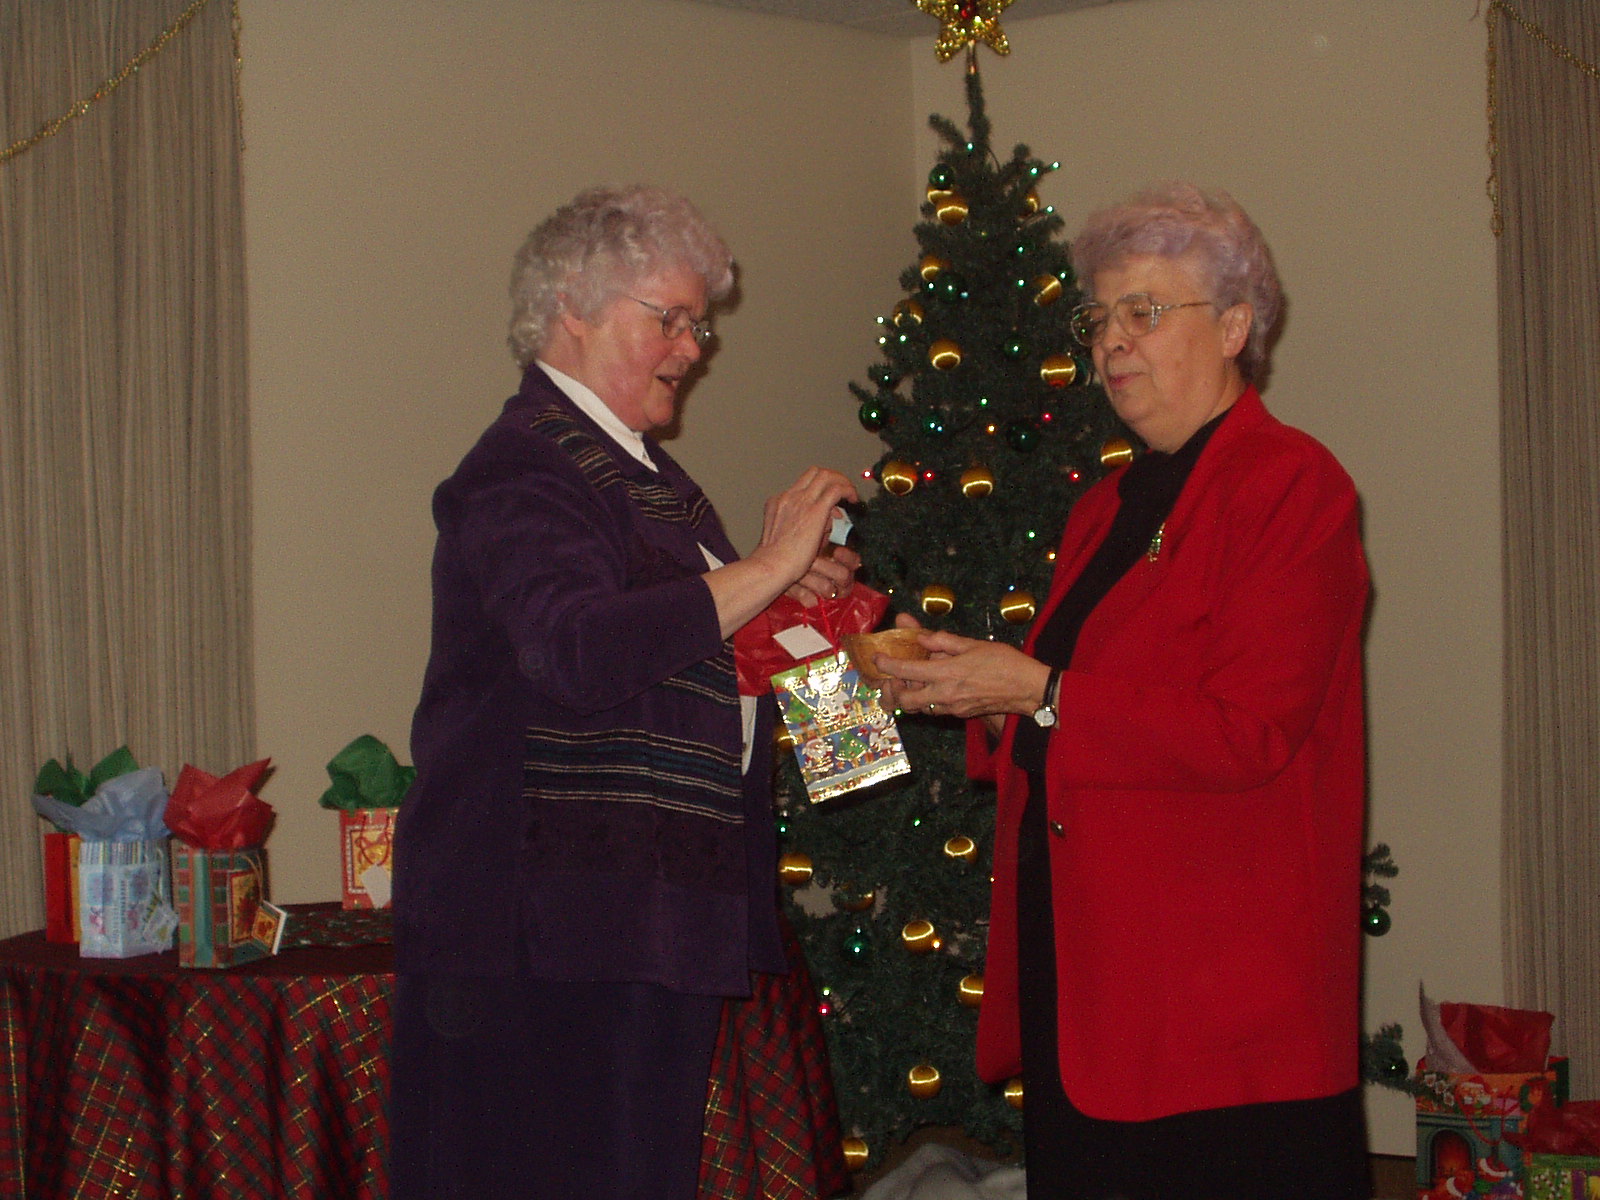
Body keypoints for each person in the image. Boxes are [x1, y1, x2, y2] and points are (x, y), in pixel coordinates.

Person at [875, 182, 1370, 1200]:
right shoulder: (1106, 504)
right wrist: (958, 685)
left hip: (1220, 1010)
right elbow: (1073, 702)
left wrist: (1035, 689)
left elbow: (1248, 733)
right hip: (1094, 985)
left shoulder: (1291, 486)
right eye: (1097, 317)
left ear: (1234, 326)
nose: (1108, 342)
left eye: (1145, 312)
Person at [389, 184, 858, 1199]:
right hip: (536, 939)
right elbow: (575, 650)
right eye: (671, 321)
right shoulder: (525, 465)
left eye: (698, 324)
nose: (694, 350)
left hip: (640, 927)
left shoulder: (650, 481)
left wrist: (823, 653)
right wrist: (767, 569)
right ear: (572, 308)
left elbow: (695, 672)